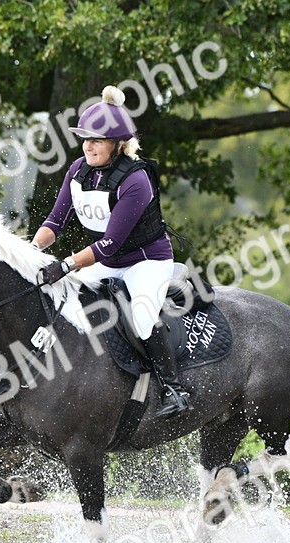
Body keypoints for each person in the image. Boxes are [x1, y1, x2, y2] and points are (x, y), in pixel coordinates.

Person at [32, 85, 191, 417]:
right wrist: (31, 251)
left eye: (97, 140)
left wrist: (66, 265)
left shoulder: (136, 180)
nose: (88, 146)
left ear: (118, 144)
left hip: (146, 261)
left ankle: (174, 390)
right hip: (106, 261)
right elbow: (55, 222)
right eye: (85, 139)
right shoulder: (78, 171)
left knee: (143, 317)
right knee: (59, 303)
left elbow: (110, 244)